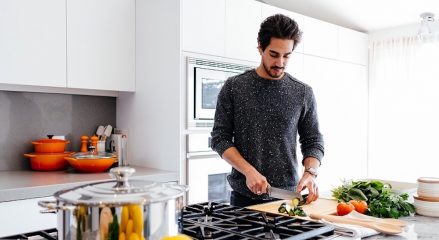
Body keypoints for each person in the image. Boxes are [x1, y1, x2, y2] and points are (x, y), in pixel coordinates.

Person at [210, 14, 324, 207]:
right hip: (243, 200)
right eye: (274, 54)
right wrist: (248, 171)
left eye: (286, 55)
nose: (280, 62)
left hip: (288, 198)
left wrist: (310, 172)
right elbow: (220, 138)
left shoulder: (303, 92)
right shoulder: (234, 87)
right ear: (260, 49)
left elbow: (313, 140)